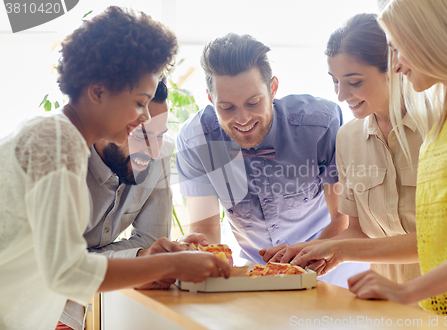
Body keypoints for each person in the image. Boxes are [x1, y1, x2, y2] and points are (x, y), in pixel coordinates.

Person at [0, 7, 229, 330]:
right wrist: (171, 264)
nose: (145, 119)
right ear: (97, 91)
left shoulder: (59, 137)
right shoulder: (54, 143)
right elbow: (68, 272)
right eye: (139, 102)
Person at [345, 0, 447, 321]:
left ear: (429, 39)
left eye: (398, 49)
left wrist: (407, 291)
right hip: (445, 310)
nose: (397, 65)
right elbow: (441, 236)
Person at [176, 33, 368, 286]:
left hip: (331, 265)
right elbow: (206, 230)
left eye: (253, 102)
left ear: (273, 88)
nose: (243, 118)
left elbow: (342, 218)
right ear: (211, 100)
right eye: (227, 108)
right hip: (257, 273)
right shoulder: (195, 140)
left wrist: (303, 259)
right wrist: (199, 252)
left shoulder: (320, 124)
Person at [276, 13, 429, 286]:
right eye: (335, 81)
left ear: (395, 68)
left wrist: (342, 250)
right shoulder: (347, 138)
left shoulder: (438, 125)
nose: (341, 96)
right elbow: (357, 231)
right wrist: (309, 250)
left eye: (354, 82)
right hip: (383, 299)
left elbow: (446, 238)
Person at [59, 77, 208, 330]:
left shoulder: (158, 154)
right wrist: (140, 259)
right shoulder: (61, 157)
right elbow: (63, 265)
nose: (153, 150)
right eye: (142, 134)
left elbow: (149, 242)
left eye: (160, 134)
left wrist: (146, 256)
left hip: (91, 299)